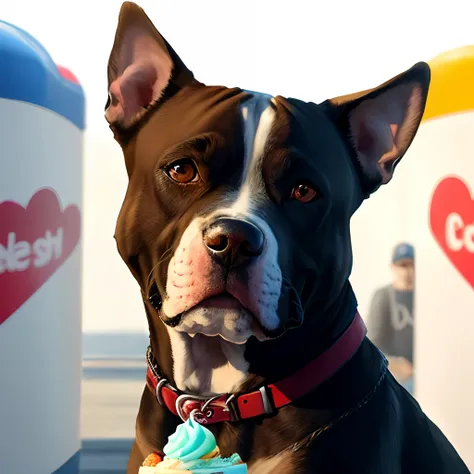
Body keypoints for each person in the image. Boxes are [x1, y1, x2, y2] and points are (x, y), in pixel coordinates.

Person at [366, 243, 415, 393]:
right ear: (393, 267)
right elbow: (372, 344)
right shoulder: (384, 296)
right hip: (394, 378)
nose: (407, 271)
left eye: (411, 265)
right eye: (402, 265)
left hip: (423, 377)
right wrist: (395, 364)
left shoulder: (425, 297)